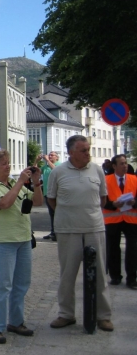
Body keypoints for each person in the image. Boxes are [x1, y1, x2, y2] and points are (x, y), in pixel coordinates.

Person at [48, 135, 113, 332]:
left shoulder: (97, 170)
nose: (88, 153)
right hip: (68, 230)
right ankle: (66, 314)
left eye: (88, 149)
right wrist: (69, 213)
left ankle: (103, 316)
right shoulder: (58, 172)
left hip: (94, 227)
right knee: (67, 274)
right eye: (83, 150)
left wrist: (88, 213)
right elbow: (51, 199)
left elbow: (102, 199)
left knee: (100, 273)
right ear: (72, 152)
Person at [0, 149, 43, 344]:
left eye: (8, 163)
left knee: (21, 284)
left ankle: (16, 322)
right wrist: (19, 183)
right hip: (3, 242)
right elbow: (4, 204)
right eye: (4, 164)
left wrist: (35, 182)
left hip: (23, 239)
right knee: (3, 286)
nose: (8, 166)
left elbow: (38, 201)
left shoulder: (12, 184)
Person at [103, 154, 137, 289]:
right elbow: (101, 200)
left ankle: (132, 278)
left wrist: (134, 203)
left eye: (126, 163)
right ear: (114, 166)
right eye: (122, 163)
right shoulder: (106, 180)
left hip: (131, 219)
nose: (125, 166)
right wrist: (113, 204)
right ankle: (115, 276)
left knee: (133, 250)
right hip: (113, 218)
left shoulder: (135, 179)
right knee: (113, 249)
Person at [38, 151, 61, 241]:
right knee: (52, 214)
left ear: (57, 158)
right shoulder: (46, 166)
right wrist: (36, 161)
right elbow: (36, 172)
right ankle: (53, 232)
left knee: (57, 213)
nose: (50, 156)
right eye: (49, 155)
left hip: (56, 194)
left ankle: (58, 233)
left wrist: (47, 160)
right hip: (47, 193)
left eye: (52, 155)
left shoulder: (59, 165)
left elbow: (56, 171)